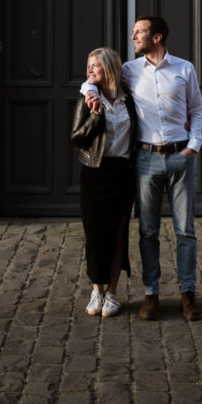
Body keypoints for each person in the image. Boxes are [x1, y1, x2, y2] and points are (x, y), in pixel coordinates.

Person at [83, 16, 202, 322]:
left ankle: (188, 294)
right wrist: (89, 91)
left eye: (139, 32)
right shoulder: (128, 70)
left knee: (185, 231)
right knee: (148, 231)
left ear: (157, 37)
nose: (133, 36)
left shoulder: (184, 69)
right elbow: (96, 75)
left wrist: (194, 144)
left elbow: (197, 109)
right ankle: (151, 295)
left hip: (180, 157)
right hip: (146, 159)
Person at [71, 46, 137, 318]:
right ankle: (96, 290)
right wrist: (95, 116)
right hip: (95, 172)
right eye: (89, 65)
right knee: (95, 235)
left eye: (95, 65)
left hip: (123, 173)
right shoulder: (88, 97)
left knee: (118, 235)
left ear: (109, 68)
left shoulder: (128, 99)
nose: (90, 69)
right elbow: (76, 138)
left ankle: (112, 293)